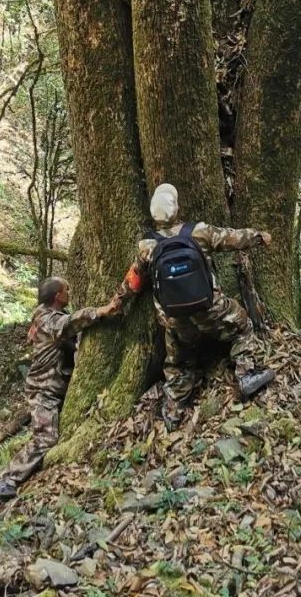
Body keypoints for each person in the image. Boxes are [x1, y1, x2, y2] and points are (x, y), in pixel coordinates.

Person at [116, 182, 275, 428]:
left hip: (175, 320)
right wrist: (259, 236)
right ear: (176, 209)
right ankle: (246, 373)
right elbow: (232, 238)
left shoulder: (146, 246)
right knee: (242, 325)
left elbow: (133, 281)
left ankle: (173, 408)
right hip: (211, 310)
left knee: (178, 361)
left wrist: (117, 302)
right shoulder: (198, 232)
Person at [0, 276, 120, 499]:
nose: (70, 292)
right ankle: (8, 478)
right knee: (46, 437)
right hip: (44, 390)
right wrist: (100, 311)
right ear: (57, 296)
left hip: (56, 386)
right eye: (66, 289)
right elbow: (68, 324)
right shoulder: (48, 321)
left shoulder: (45, 318)